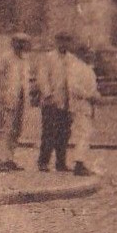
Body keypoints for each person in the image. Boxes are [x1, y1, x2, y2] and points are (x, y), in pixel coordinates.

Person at [34, 34, 74, 173]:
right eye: (62, 41)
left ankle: (60, 162)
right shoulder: (48, 57)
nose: (64, 44)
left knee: (64, 133)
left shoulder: (71, 59)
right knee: (49, 132)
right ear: (57, 42)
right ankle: (43, 161)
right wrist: (47, 93)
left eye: (67, 41)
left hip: (66, 102)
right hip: (51, 101)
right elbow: (42, 77)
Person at [0, 34, 29, 172]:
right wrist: (0, 96)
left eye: (24, 43)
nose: (22, 45)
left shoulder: (24, 60)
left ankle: (9, 158)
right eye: (19, 42)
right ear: (13, 43)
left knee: (16, 130)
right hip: (6, 99)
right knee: (4, 129)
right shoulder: (4, 58)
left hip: (20, 98)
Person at [66, 41, 100, 176]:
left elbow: (91, 86)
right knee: (83, 133)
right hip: (80, 105)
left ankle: (81, 161)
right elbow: (74, 87)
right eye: (87, 52)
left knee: (86, 133)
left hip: (87, 106)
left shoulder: (87, 68)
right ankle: (79, 163)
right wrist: (89, 95)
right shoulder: (75, 67)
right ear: (81, 54)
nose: (90, 55)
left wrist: (95, 95)